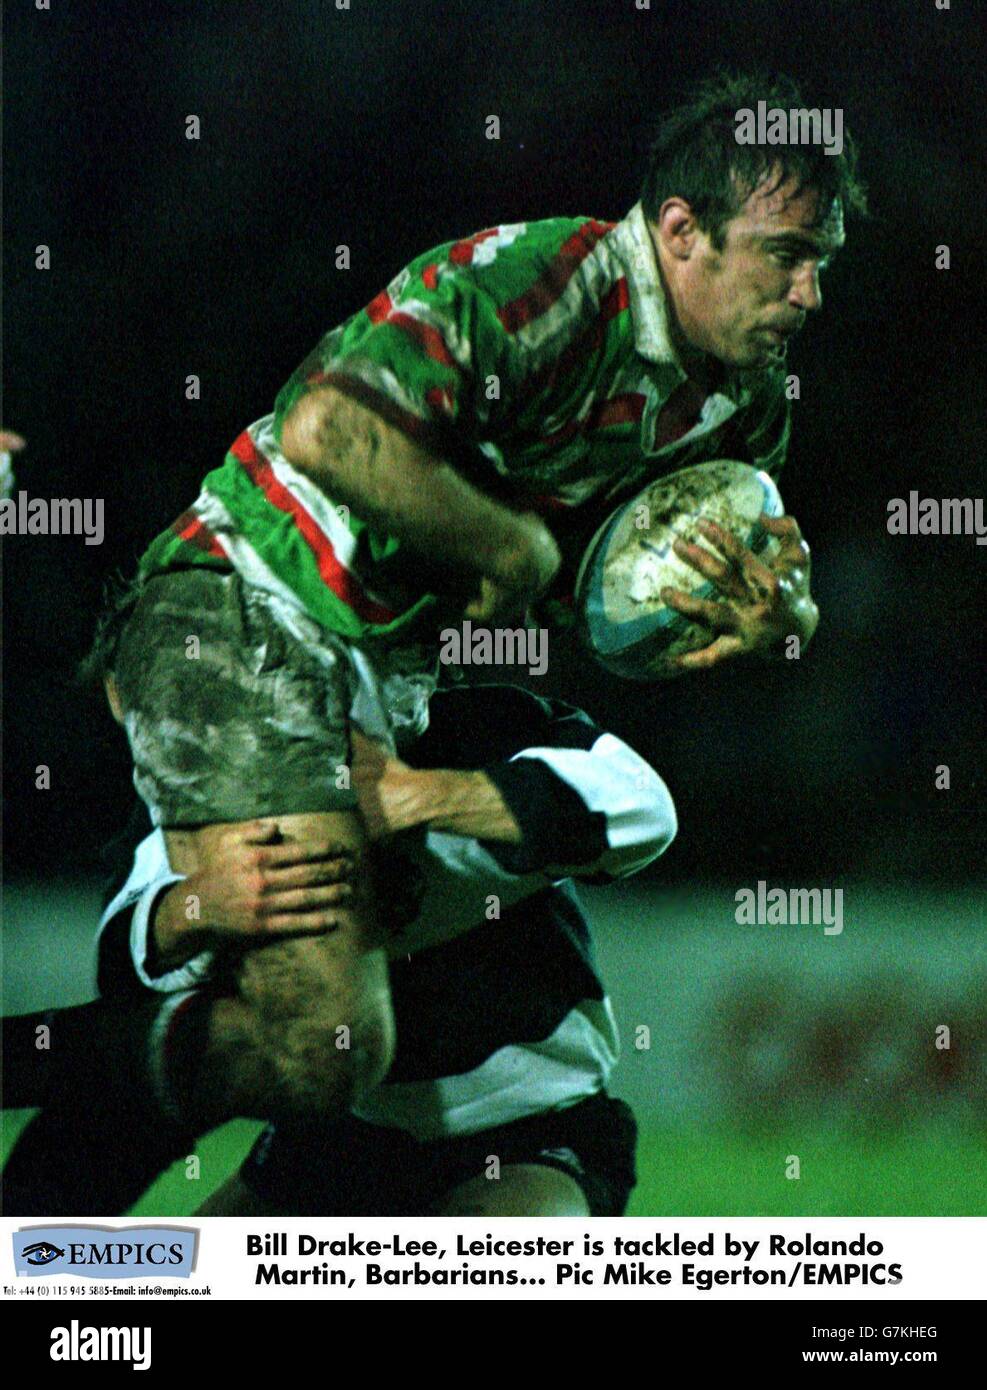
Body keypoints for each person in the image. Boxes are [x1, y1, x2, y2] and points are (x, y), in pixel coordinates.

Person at [81, 67, 864, 1140]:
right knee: (333, 1040)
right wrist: (515, 544)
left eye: (822, 263)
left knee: (321, 1052)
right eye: (787, 254)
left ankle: (75, 1110)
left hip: (383, 672)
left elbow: (620, 606)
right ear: (682, 231)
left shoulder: (739, 403)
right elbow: (327, 430)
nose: (810, 294)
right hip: (244, 602)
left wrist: (779, 622)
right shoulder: (543, 284)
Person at [3, 682, 677, 1217]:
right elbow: (124, 975)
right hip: (336, 1140)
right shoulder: (207, 799)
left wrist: (422, 796)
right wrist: (198, 906)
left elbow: (644, 811)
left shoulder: (474, 729)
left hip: (528, 1128)